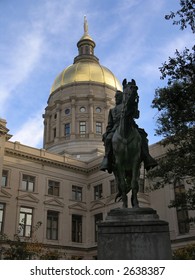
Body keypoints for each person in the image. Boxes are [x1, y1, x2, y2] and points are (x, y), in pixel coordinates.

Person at [100, 89, 157, 173]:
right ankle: (107, 159)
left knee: (143, 136)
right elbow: (109, 124)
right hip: (115, 129)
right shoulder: (112, 111)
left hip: (131, 126)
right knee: (108, 139)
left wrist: (135, 105)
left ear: (122, 97)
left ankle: (147, 157)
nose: (116, 99)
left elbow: (136, 116)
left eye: (118, 97)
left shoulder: (128, 106)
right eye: (115, 97)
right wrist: (108, 132)